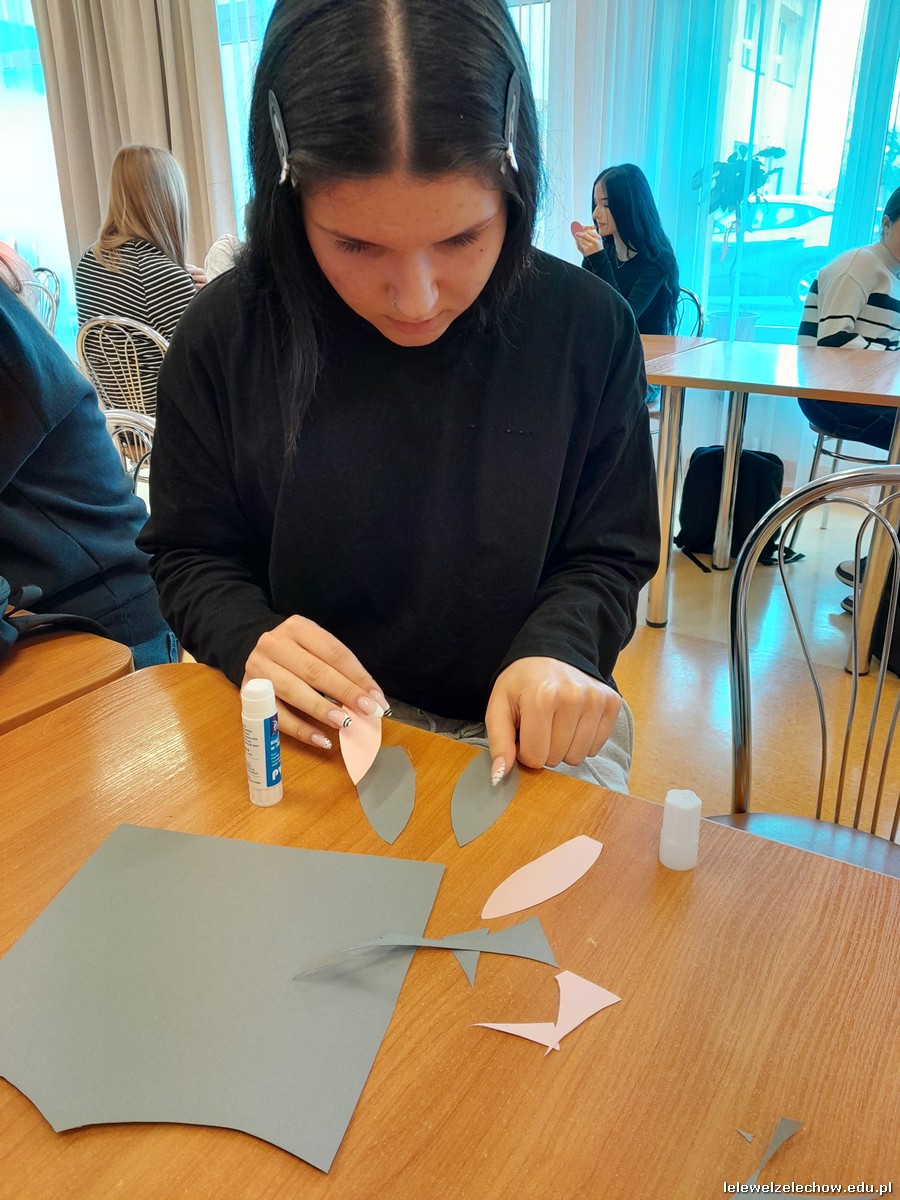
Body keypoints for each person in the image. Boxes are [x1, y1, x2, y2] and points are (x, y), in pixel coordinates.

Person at [139, 0, 660, 792]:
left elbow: (610, 552)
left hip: (527, 733)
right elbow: (187, 551)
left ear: (516, 184)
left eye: (461, 238)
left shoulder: (588, 331)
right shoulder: (225, 336)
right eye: (355, 243)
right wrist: (248, 636)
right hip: (311, 725)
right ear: (289, 196)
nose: (415, 300)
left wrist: (561, 649)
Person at [0, 280, 177, 668]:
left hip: (97, 611)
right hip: (143, 423)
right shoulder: (161, 276)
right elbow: (179, 346)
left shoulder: (89, 269)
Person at [796, 186, 900, 608]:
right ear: (886, 224)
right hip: (832, 395)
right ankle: (881, 580)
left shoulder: (891, 273)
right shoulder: (861, 265)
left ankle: (885, 575)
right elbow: (833, 342)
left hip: (867, 393)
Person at [75, 145, 206, 341]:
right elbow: (208, 355)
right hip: (163, 364)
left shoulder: (88, 261)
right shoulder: (167, 278)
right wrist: (207, 301)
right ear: (170, 201)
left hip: (97, 364)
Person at [571, 163, 680, 336]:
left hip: (647, 348)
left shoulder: (658, 260)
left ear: (629, 206)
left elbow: (623, 320)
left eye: (606, 205)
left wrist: (597, 258)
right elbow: (585, 305)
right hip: (608, 345)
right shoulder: (606, 248)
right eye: (595, 203)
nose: (595, 214)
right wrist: (589, 259)